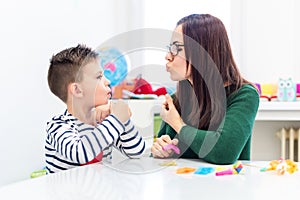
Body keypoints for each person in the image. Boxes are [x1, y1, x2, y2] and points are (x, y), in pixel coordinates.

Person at [151, 14, 259, 164]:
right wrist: (160, 149)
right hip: (181, 185)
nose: (168, 56)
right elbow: (165, 151)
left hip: (227, 186)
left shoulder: (244, 95)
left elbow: (223, 152)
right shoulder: (177, 98)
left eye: (176, 48)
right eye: (170, 48)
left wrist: (177, 124)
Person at [46, 44, 145, 173]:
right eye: (99, 77)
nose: (108, 81)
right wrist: (116, 120)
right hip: (67, 193)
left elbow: (136, 151)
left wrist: (124, 121)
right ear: (77, 90)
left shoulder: (103, 122)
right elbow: (80, 153)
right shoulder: (58, 126)